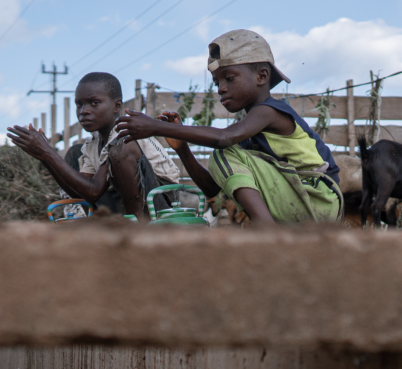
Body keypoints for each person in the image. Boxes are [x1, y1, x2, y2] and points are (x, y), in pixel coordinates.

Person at [114, 30, 342, 225]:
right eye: (217, 82)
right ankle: (266, 228)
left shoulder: (269, 111)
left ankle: (265, 229)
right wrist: (182, 149)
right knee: (225, 155)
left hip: (316, 197)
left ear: (261, 76)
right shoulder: (246, 135)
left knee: (223, 151)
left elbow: (223, 138)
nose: (220, 89)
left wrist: (156, 127)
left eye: (229, 78)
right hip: (301, 201)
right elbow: (212, 189)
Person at [7, 72, 180, 218]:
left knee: (120, 148)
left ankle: (135, 227)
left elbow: (94, 191)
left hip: (161, 204)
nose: (84, 111)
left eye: (94, 103)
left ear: (116, 106)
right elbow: (81, 192)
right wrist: (45, 156)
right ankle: (109, 224)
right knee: (75, 152)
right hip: (124, 201)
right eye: (79, 104)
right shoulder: (93, 144)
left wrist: (47, 152)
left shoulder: (126, 132)